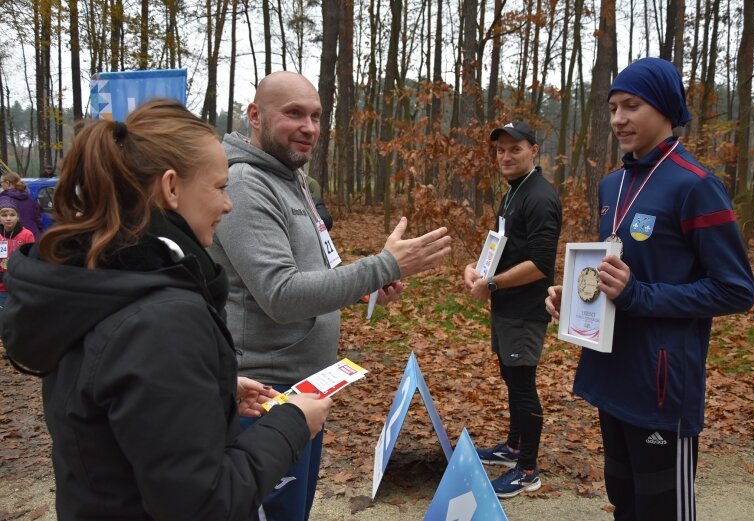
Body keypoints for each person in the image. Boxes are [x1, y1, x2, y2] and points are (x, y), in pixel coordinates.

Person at [0, 99, 333, 520]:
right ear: (172, 187)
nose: (228, 205)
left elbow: (114, 399)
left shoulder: (95, 281)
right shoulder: (163, 317)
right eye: (219, 187)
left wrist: (210, 389)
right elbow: (203, 504)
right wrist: (291, 424)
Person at [208, 71, 452, 521]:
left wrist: (363, 283)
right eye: (294, 114)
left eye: (317, 116)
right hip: (261, 395)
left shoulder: (290, 176)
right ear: (256, 116)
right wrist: (384, 266)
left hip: (305, 388)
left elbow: (312, 266)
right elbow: (280, 294)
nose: (310, 128)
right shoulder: (246, 183)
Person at [545, 58, 754, 520]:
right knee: (625, 501)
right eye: (614, 107)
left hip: (661, 388)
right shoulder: (611, 184)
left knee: (664, 511)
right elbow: (614, 271)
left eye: (632, 106)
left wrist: (640, 295)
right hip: (611, 377)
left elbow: (736, 290)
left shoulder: (696, 186)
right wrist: (577, 301)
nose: (619, 118)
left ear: (663, 108)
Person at [463, 121, 562, 498]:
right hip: (506, 306)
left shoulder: (539, 197)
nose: (506, 156)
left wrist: (492, 284)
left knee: (522, 384)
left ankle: (527, 468)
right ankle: (514, 447)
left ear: (534, 151)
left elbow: (540, 263)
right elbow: (503, 245)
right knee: (510, 375)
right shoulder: (513, 192)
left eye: (515, 149)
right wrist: (478, 269)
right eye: (501, 149)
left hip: (525, 309)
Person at [0, 196, 35, 309]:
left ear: (18, 217)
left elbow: (31, 259)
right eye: (4, 215)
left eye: (12, 215)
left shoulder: (27, 234)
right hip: (1, 286)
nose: (8, 218)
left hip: (18, 283)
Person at [1, 172, 43, 238]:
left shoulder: (3, 199)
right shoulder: (30, 197)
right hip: (33, 235)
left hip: (13, 238)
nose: (1, 184)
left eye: (1, 182)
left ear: (7, 183)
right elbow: (38, 220)